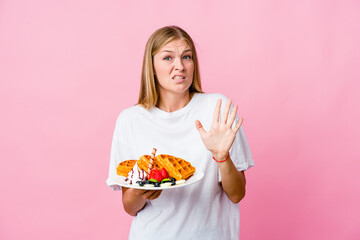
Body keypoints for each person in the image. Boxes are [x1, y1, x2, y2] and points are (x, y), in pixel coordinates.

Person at [106, 25, 254, 240]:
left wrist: (222, 157)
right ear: (152, 66)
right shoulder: (130, 120)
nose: (180, 66)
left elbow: (237, 194)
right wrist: (140, 192)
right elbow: (130, 207)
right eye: (168, 58)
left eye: (187, 57)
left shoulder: (218, 109)